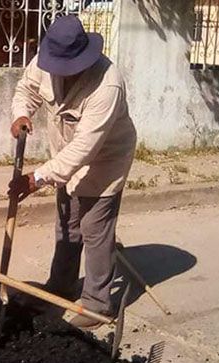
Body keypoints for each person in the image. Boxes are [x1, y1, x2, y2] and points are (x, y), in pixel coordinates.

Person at [8, 15, 137, 330]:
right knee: (67, 223)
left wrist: (36, 178)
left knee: (95, 227)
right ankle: (61, 286)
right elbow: (27, 88)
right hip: (64, 155)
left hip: (104, 160)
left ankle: (97, 304)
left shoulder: (107, 85)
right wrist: (21, 113)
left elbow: (84, 149)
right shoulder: (46, 58)